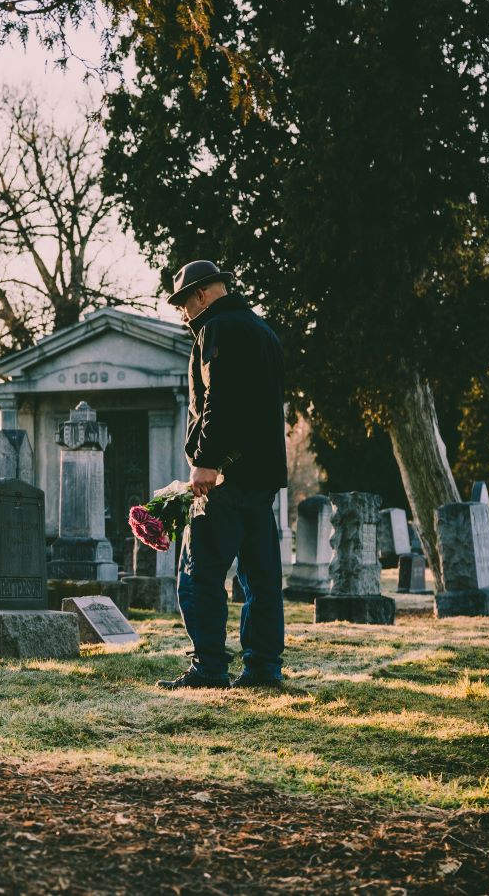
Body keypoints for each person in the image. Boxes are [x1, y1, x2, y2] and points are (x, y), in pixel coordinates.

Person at [156, 260, 288, 690]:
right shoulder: (262, 331)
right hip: (262, 476)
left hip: (225, 474)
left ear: (199, 294)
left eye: (182, 303)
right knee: (260, 578)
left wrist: (206, 461)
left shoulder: (218, 329)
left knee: (199, 574)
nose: (182, 313)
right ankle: (263, 668)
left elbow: (220, 400)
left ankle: (209, 667)